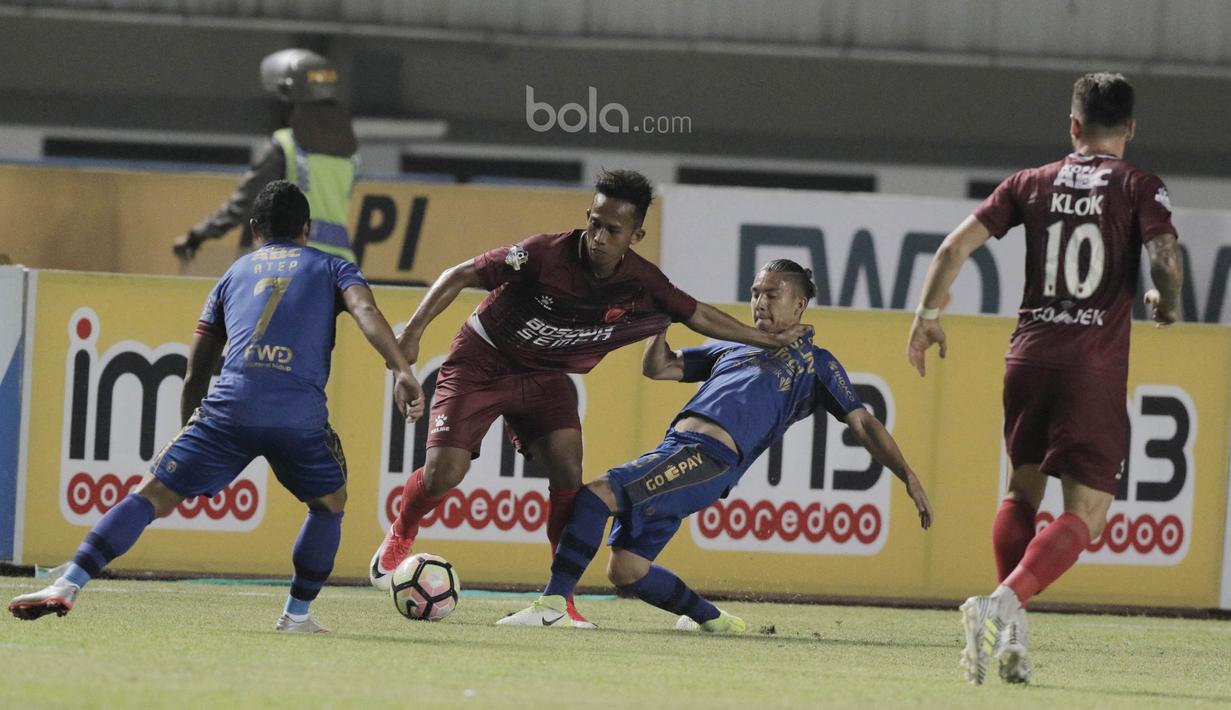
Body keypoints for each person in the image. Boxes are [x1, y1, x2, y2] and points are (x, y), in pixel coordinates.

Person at [370, 170, 811, 628]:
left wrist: (764, 342)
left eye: (612, 230)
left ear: (635, 235)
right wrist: (414, 331)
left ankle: (558, 601)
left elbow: (697, 314)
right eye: (594, 222)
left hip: (544, 376)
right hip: (482, 360)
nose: (598, 236)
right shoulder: (544, 254)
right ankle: (402, 533)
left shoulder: (643, 281)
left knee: (568, 470)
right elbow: (460, 273)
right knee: (446, 475)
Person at [10, 181, 424, 631]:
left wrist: (192, 429)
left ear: (253, 229)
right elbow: (365, 311)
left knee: (150, 494)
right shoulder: (333, 267)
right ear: (307, 228)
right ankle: (297, 614)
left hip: (229, 410)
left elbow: (196, 370)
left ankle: (67, 583)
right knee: (329, 503)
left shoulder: (232, 276)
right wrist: (400, 368)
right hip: (298, 416)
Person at [905, 72, 1183, 685]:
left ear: (1074, 126)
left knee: (1021, 491)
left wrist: (926, 318)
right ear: (1131, 129)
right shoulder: (1139, 184)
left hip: (1028, 357)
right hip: (1091, 365)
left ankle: (1012, 637)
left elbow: (954, 248)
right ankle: (1002, 603)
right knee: (1087, 513)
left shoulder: (1029, 183)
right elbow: (1164, 254)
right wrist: (1167, 298)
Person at [497, 259, 933, 631]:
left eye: (772, 294)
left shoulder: (816, 363)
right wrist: (660, 325)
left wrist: (907, 475)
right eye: (756, 292)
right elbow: (661, 369)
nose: (760, 302)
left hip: (708, 459)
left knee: (594, 497)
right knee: (626, 569)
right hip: (677, 451)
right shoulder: (732, 343)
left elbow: (863, 422)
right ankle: (712, 619)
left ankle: (553, 606)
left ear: (799, 304)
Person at [173, 49, 360, 263]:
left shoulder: (284, 145)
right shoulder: (350, 155)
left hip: (293, 262)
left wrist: (196, 236)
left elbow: (243, 204)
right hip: (341, 266)